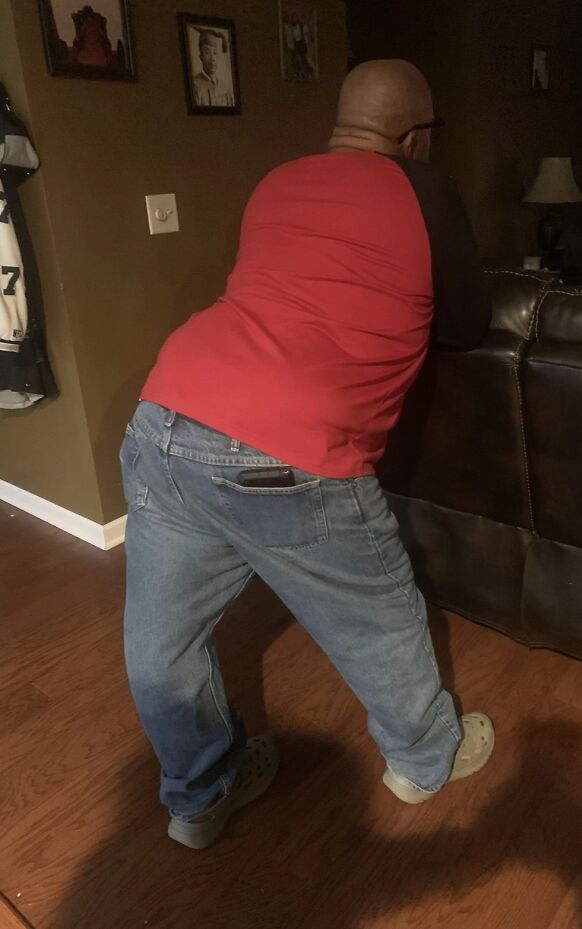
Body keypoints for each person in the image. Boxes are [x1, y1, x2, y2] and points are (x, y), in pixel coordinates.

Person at [121, 59, 494, 851]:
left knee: (165, 636)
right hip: (291, 449)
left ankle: (198, 796)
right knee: (382, 612)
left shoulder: (276, 181)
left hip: (164, 415)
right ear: (418, 136)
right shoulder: (427, 191)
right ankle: (426, 760)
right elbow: (468, 322)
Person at [191, 28, 233, 107]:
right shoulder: (195, 86)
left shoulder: (225, 88)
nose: (212, 59)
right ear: (201, 57)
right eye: (207, 53)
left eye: (215, 53)